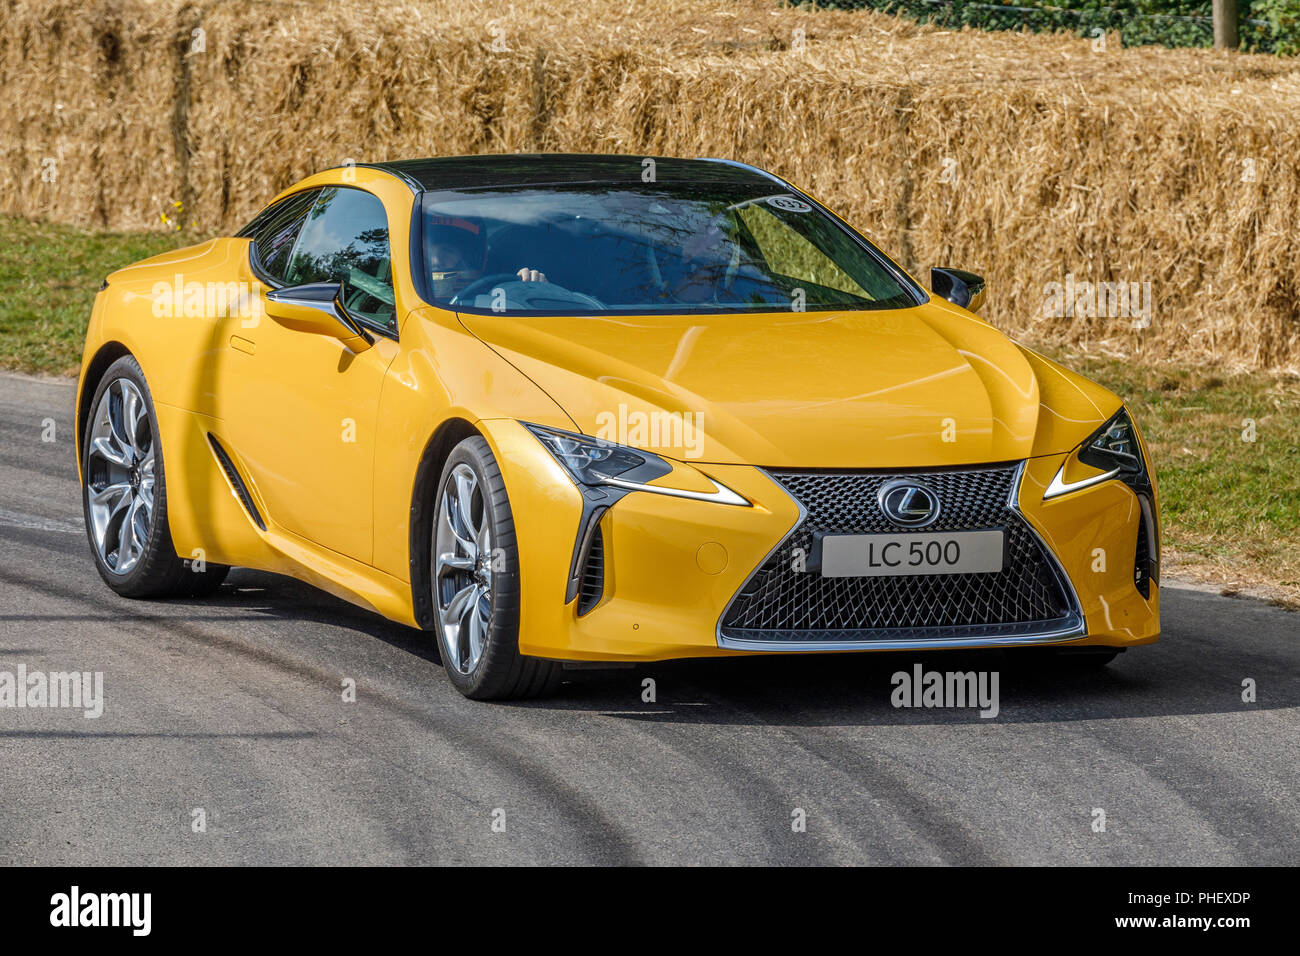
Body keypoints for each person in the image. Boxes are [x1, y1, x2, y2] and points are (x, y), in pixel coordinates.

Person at [426, 215, 545, 300]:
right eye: (427, 253)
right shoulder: (415, 298)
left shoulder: (500, 294)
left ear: (469, 257)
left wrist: (536, 288)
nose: (435, 261)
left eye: (447, 251)